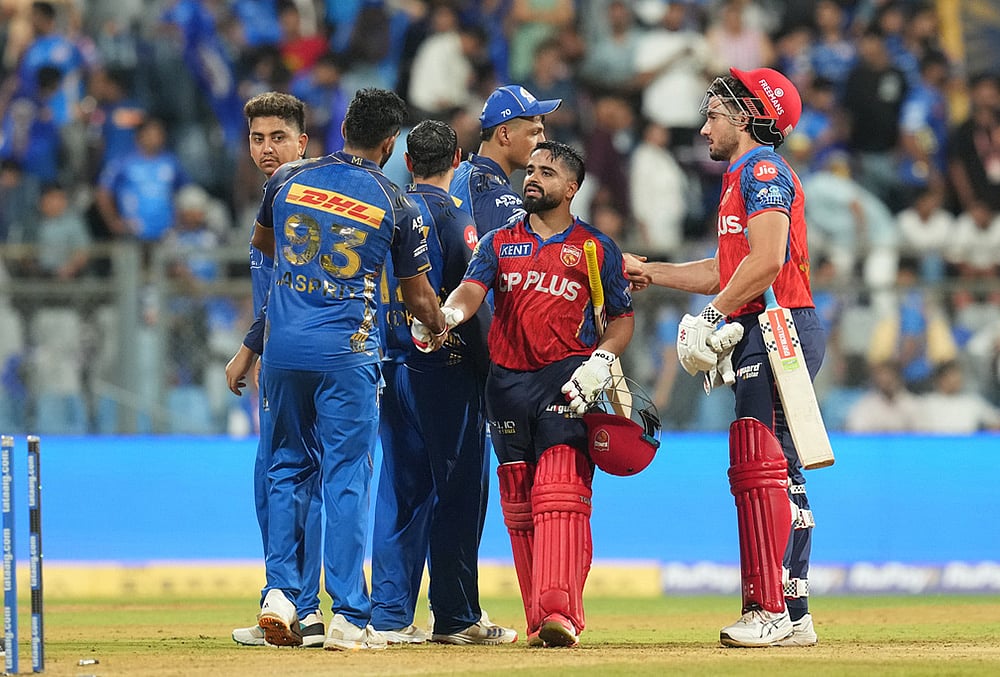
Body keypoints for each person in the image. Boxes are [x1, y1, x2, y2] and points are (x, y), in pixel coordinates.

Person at [244, 87, 447, 652]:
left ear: (342, 130)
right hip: (348, 355)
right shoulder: (398, 202)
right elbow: (419, 297)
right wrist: (438, 325)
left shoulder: (285, 182)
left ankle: (282, 594)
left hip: (283, 352)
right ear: (389, 143)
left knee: (284, 470)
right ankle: (349, 617)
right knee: (346, 479)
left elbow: (264, 247)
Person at [625, 68, 822, 647]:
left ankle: (773, 612)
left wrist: (713, 315)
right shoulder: (739, 176)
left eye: (716, 112)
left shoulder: (761, 170)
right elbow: (725, 269)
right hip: (767, 326)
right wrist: (652, 271)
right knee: (777, 466)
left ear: (748, 116)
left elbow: (766, 262)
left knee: (761, 465)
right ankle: (793, 608)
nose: (705, 121)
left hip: (776, 327)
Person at [419, 141, 634, 648]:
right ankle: (541, 617)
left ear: (571, 188)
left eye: (547, 172)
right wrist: (448, 316)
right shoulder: (497, 242)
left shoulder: (595, 247)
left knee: (559, 494)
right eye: (531, 169)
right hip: (507, 385)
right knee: (519, 504)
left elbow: (622, 320)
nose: (532, 178)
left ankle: (560, 611)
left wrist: (602, 360)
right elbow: (473, 290)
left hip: (566, 381)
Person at [369, 119, 516, 646]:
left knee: (400, 491)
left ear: (407, 163)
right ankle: (456, 616)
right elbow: (469, 302)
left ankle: (388, 615)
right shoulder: (458, 221)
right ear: (458, 159)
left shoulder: (386, 212)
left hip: (390, 365)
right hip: (446, 373)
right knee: (458, 493)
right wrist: (492, 368)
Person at [223, 92, 323, 648]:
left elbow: (293, 291)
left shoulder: (306, 199)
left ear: (302, 142)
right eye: (258, 138)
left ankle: (294, 604)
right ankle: (291, 606)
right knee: (280, 485)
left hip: (301, 361)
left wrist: (249, 349)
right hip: (281, 359)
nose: (266, 148)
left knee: (290, 481)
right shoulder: (271, 195)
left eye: (278, 137)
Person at [450, 84, 561, 236]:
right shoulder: (494, 196)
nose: (543, 141)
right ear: (505, 135)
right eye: (534, 132)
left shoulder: (459, 172)